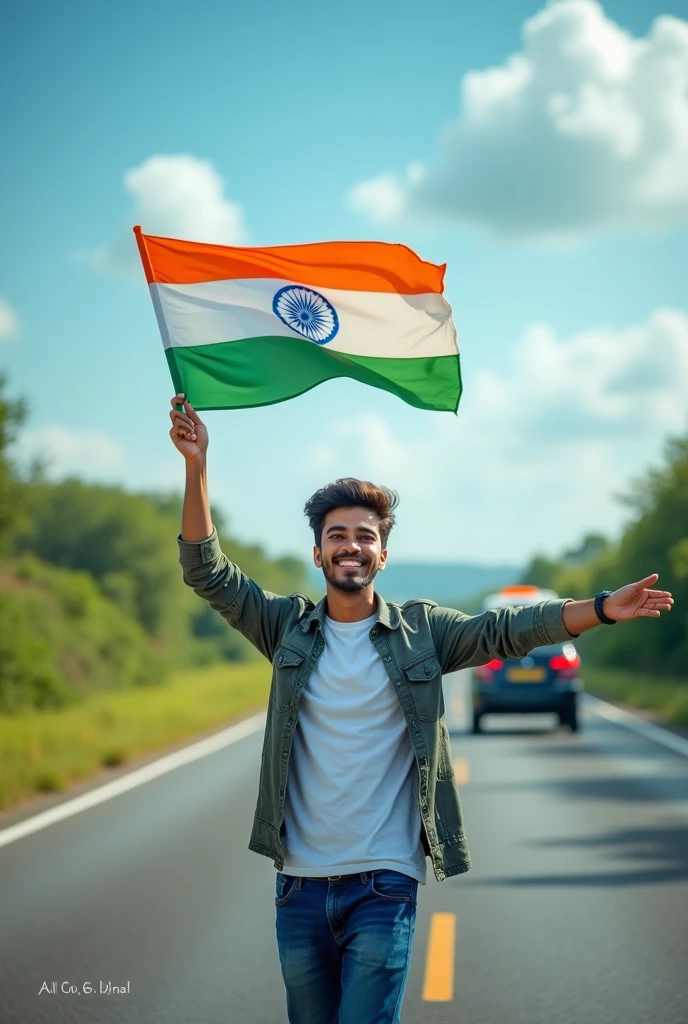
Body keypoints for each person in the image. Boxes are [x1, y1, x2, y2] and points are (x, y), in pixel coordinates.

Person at [169, 392, 674, 1024]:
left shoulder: (422, 631)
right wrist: (196, 465)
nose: (351, 546)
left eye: (365, 536)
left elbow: (507, 630)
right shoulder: (285, 628)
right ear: (318, 553)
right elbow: (208, 573)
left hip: (385, 880)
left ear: (382, 553)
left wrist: (599, 608)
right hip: (297, 882)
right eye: (337, 536)